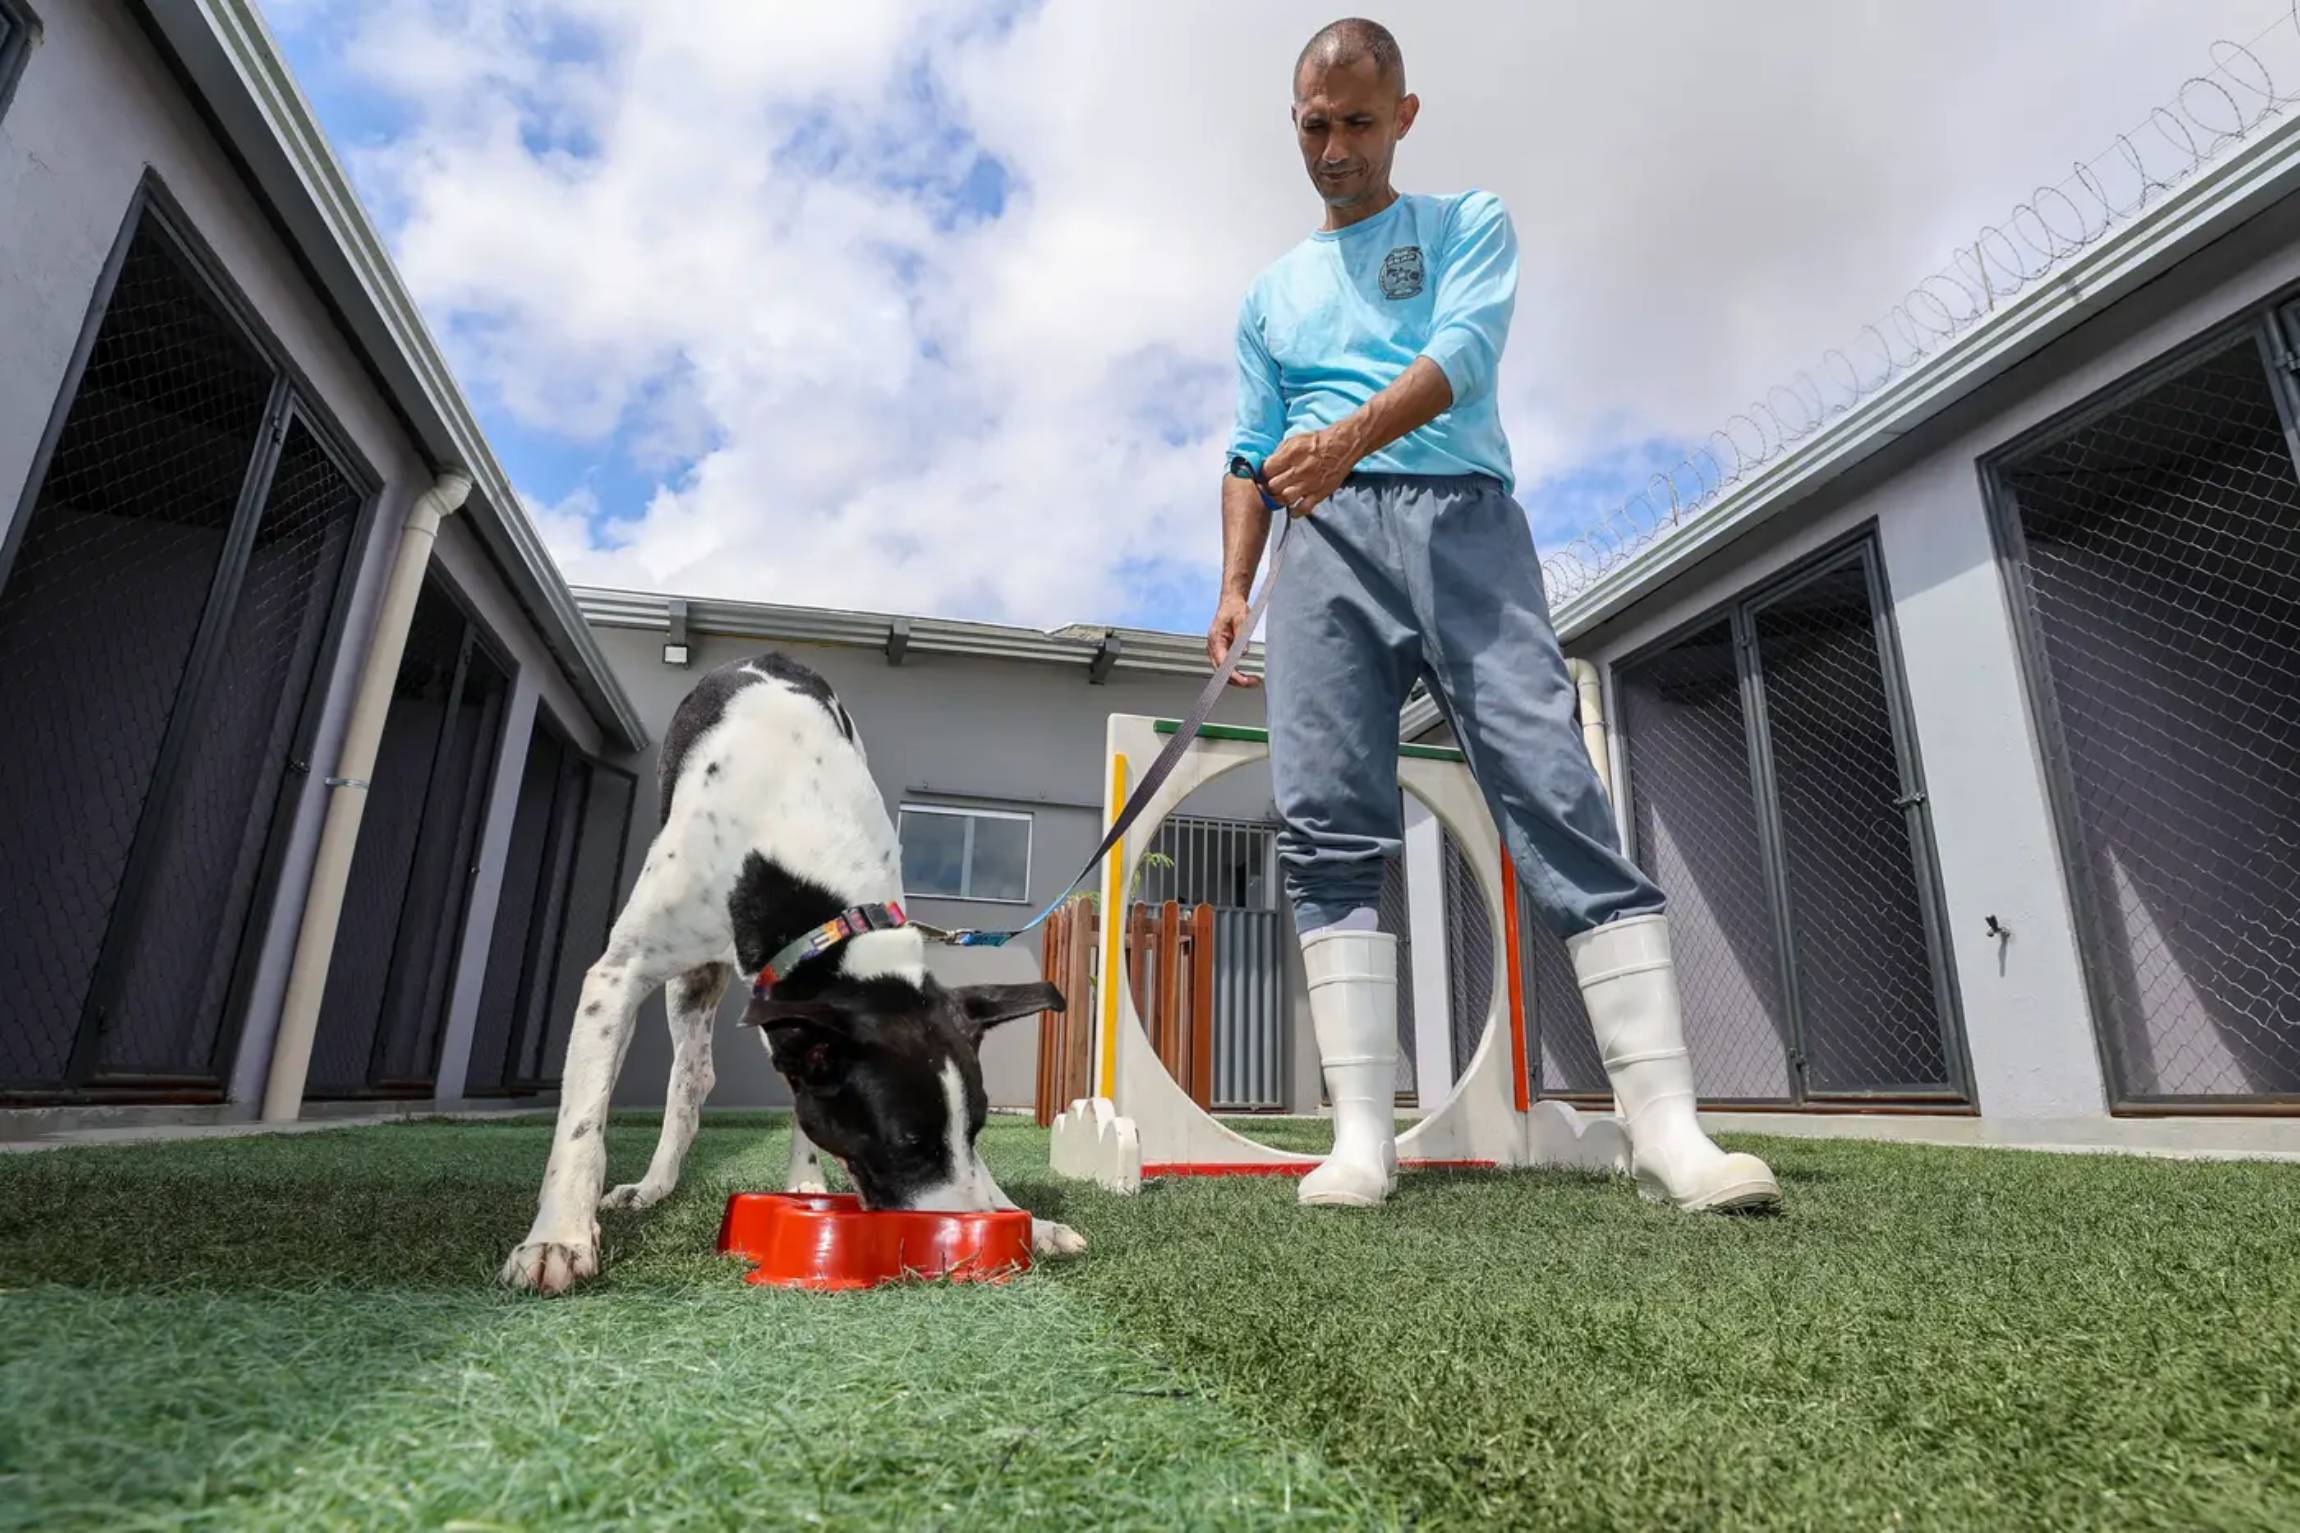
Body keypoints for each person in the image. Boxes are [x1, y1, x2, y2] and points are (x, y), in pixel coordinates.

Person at [1207, 18, 1778, 1213]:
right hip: (1320, 550)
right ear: (1293, 124)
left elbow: (1464, 352)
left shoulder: (1465, 222)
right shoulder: (1267, 293)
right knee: (1322, 814)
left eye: (1358, 121)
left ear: (1402, 117)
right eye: (1314, 124)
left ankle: (1667, 1129)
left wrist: (1352, 435)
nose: (1335, 146)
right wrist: (1231, 587)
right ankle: (1362, 1138)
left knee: (1546, 773)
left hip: (1462, 522)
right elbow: (1249, 453)